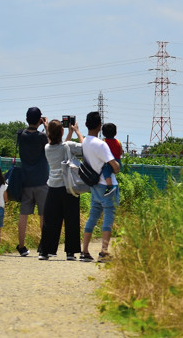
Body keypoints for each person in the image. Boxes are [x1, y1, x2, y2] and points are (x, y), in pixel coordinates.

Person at [39, 118, 85, 261]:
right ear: (62, 131)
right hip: (68, 187)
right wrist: (77, 131)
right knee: (71, 219)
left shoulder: (47, 148)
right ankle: (70, 252)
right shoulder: (69, 145)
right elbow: (85, 148)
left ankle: (45, 251)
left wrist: (48, 127)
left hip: (52, 186)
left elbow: (58, 144)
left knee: (51, 221)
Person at [80, 111, 121, 261]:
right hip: (107, 186)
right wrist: (117, 167)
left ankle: (84, 251)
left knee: (93, 216)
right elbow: (114, 165)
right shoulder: (101, 144)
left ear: (86, 124)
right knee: (108, 217)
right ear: (100, 125)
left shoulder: (85, 142)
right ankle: (104, 252)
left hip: (94, 185)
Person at [16, 106, 49, 257]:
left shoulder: (20, 135)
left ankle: (21, 246)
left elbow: (25, 130)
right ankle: (43, 246)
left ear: (27, 119)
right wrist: (46, 126)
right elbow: (51, 143)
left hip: (25, 180)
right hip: (42, 180)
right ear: (40, 120)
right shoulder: (42, 137)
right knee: (43, 215)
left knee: (24, 214)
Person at [100, 122, 123, 197]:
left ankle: (110, 187)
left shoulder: (104, 142)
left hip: (109, 161)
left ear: (103, 133)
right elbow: (121, 151)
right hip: (117, 160)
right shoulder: (118, 142)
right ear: (115, 133)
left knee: (106, 174)